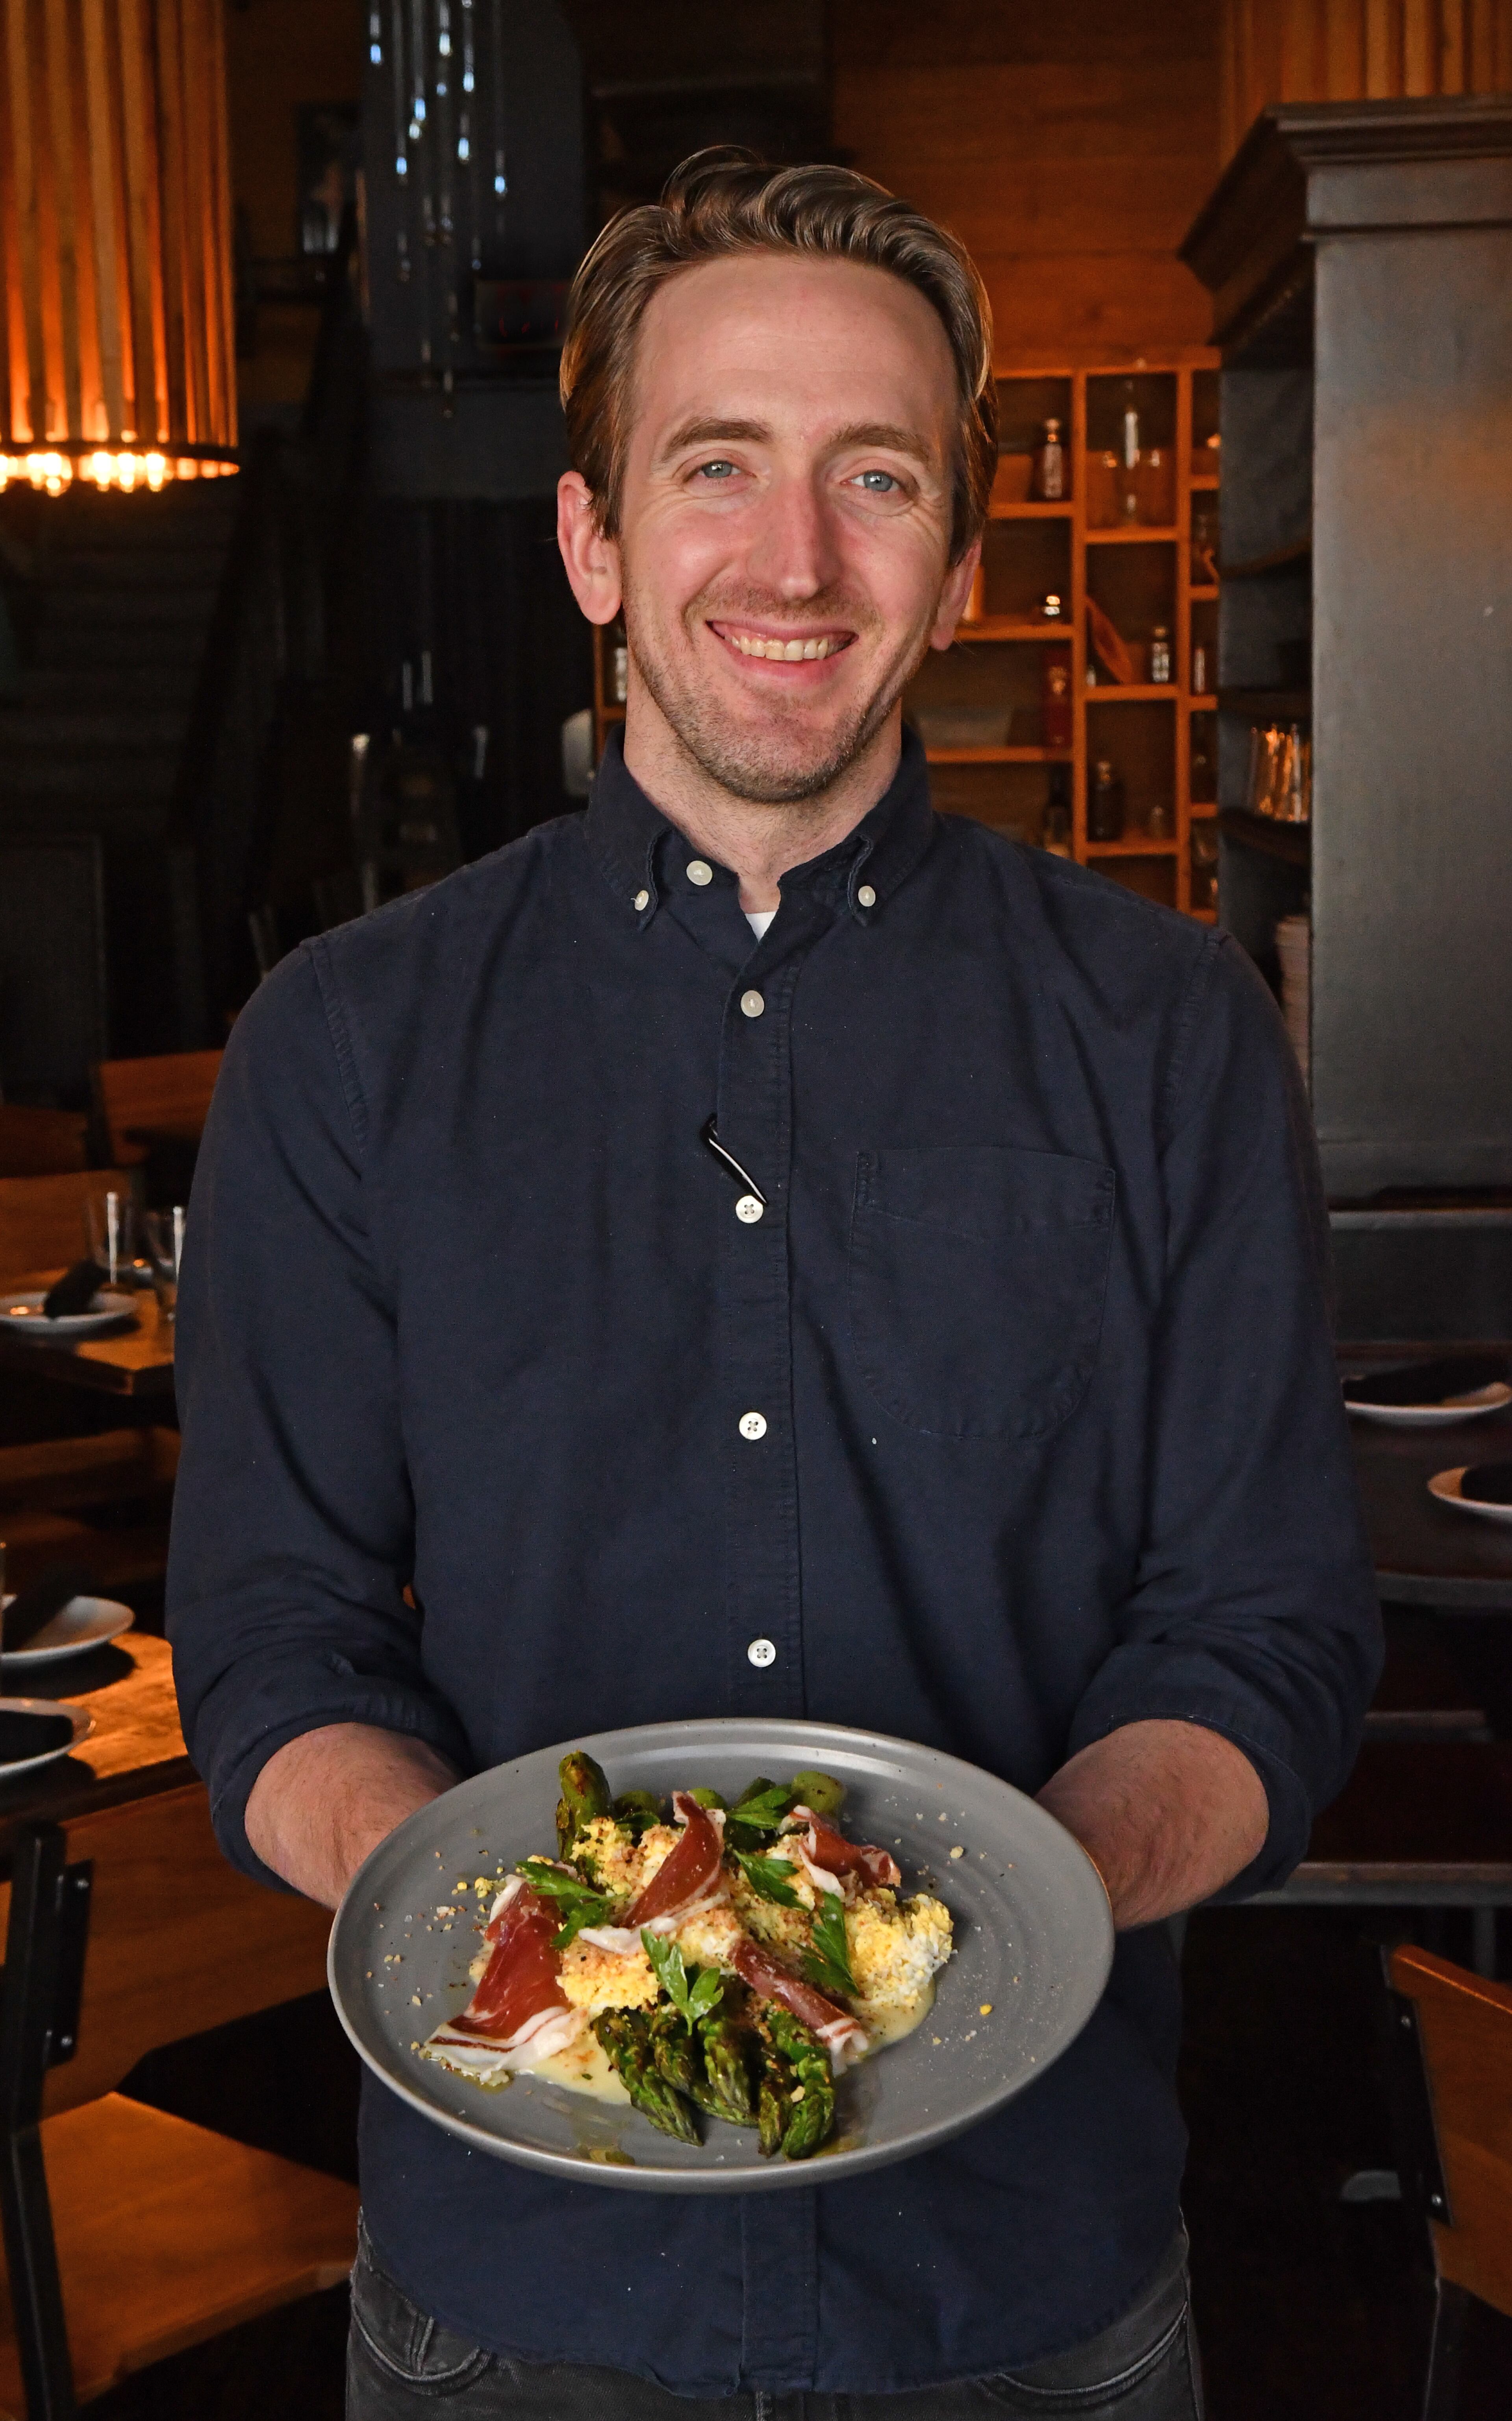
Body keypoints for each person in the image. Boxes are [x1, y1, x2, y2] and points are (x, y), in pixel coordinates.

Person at [168, 149, 1381, 2421]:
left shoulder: (1172, 1028)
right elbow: (271, 1640)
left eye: (879, 477)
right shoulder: (342, 1044)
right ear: (594, 541)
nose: (797, 561)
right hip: (520, 2291)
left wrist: (973, 1918)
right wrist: (581, 1957)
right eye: (716, 467)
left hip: (1029, 2285)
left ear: (963, 552)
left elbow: (1268, 1633)